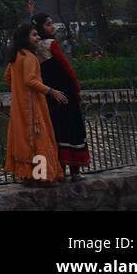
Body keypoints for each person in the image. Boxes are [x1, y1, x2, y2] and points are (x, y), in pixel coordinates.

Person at [3, 23, 64, 184]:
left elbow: (7, 77)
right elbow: (30, 80)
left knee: (24, 141)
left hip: (19, 106)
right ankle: (41, 176)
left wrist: (18, 91)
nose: (38, 38)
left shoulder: (16, 57)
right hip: (32, 106)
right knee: (39, 139)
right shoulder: (29, 57)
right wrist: (51, 91)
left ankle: (27, 176)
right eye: (34, 35)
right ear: (25, 38)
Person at [32, 12, 89, 179]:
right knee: (72, 128)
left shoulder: (34, 48)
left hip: (49, 94)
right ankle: (75, 171)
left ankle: (59, 170)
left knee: (56, 131)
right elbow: (67, 68)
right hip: (65, 92)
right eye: (48, 24)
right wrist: (77, 91)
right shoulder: (52, 44)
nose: (52, 26)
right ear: (40, 27)